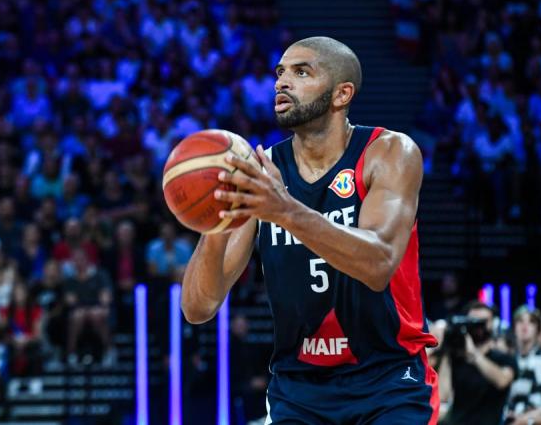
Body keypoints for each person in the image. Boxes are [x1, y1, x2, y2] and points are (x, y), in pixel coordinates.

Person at [181, 36, 439, 424]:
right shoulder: (262, 172)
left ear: (341, 94)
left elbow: (379, 262)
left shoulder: (389, 152)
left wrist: (285, 210)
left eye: (302, 72)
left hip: (388, 379)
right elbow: (198, 307)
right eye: (280, 72)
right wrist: (217, 217)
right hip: (299, 388)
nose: (282, 82)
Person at [438, 302, 517, 425]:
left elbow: (502, 381)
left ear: (493, 324)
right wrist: (448, 351)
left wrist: (474, 354)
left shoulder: (504, 358)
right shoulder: (457, 358)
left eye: (482, 321)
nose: (477, 326)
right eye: (472, 321)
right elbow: (443, 394)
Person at [506, 307, 541, 420]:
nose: (524, 326)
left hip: (533, 419)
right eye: (520, 321)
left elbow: (540, 398)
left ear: (538, 330)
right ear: (514, 328)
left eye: (531, 322)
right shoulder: (509, 360)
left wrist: (519, 414)